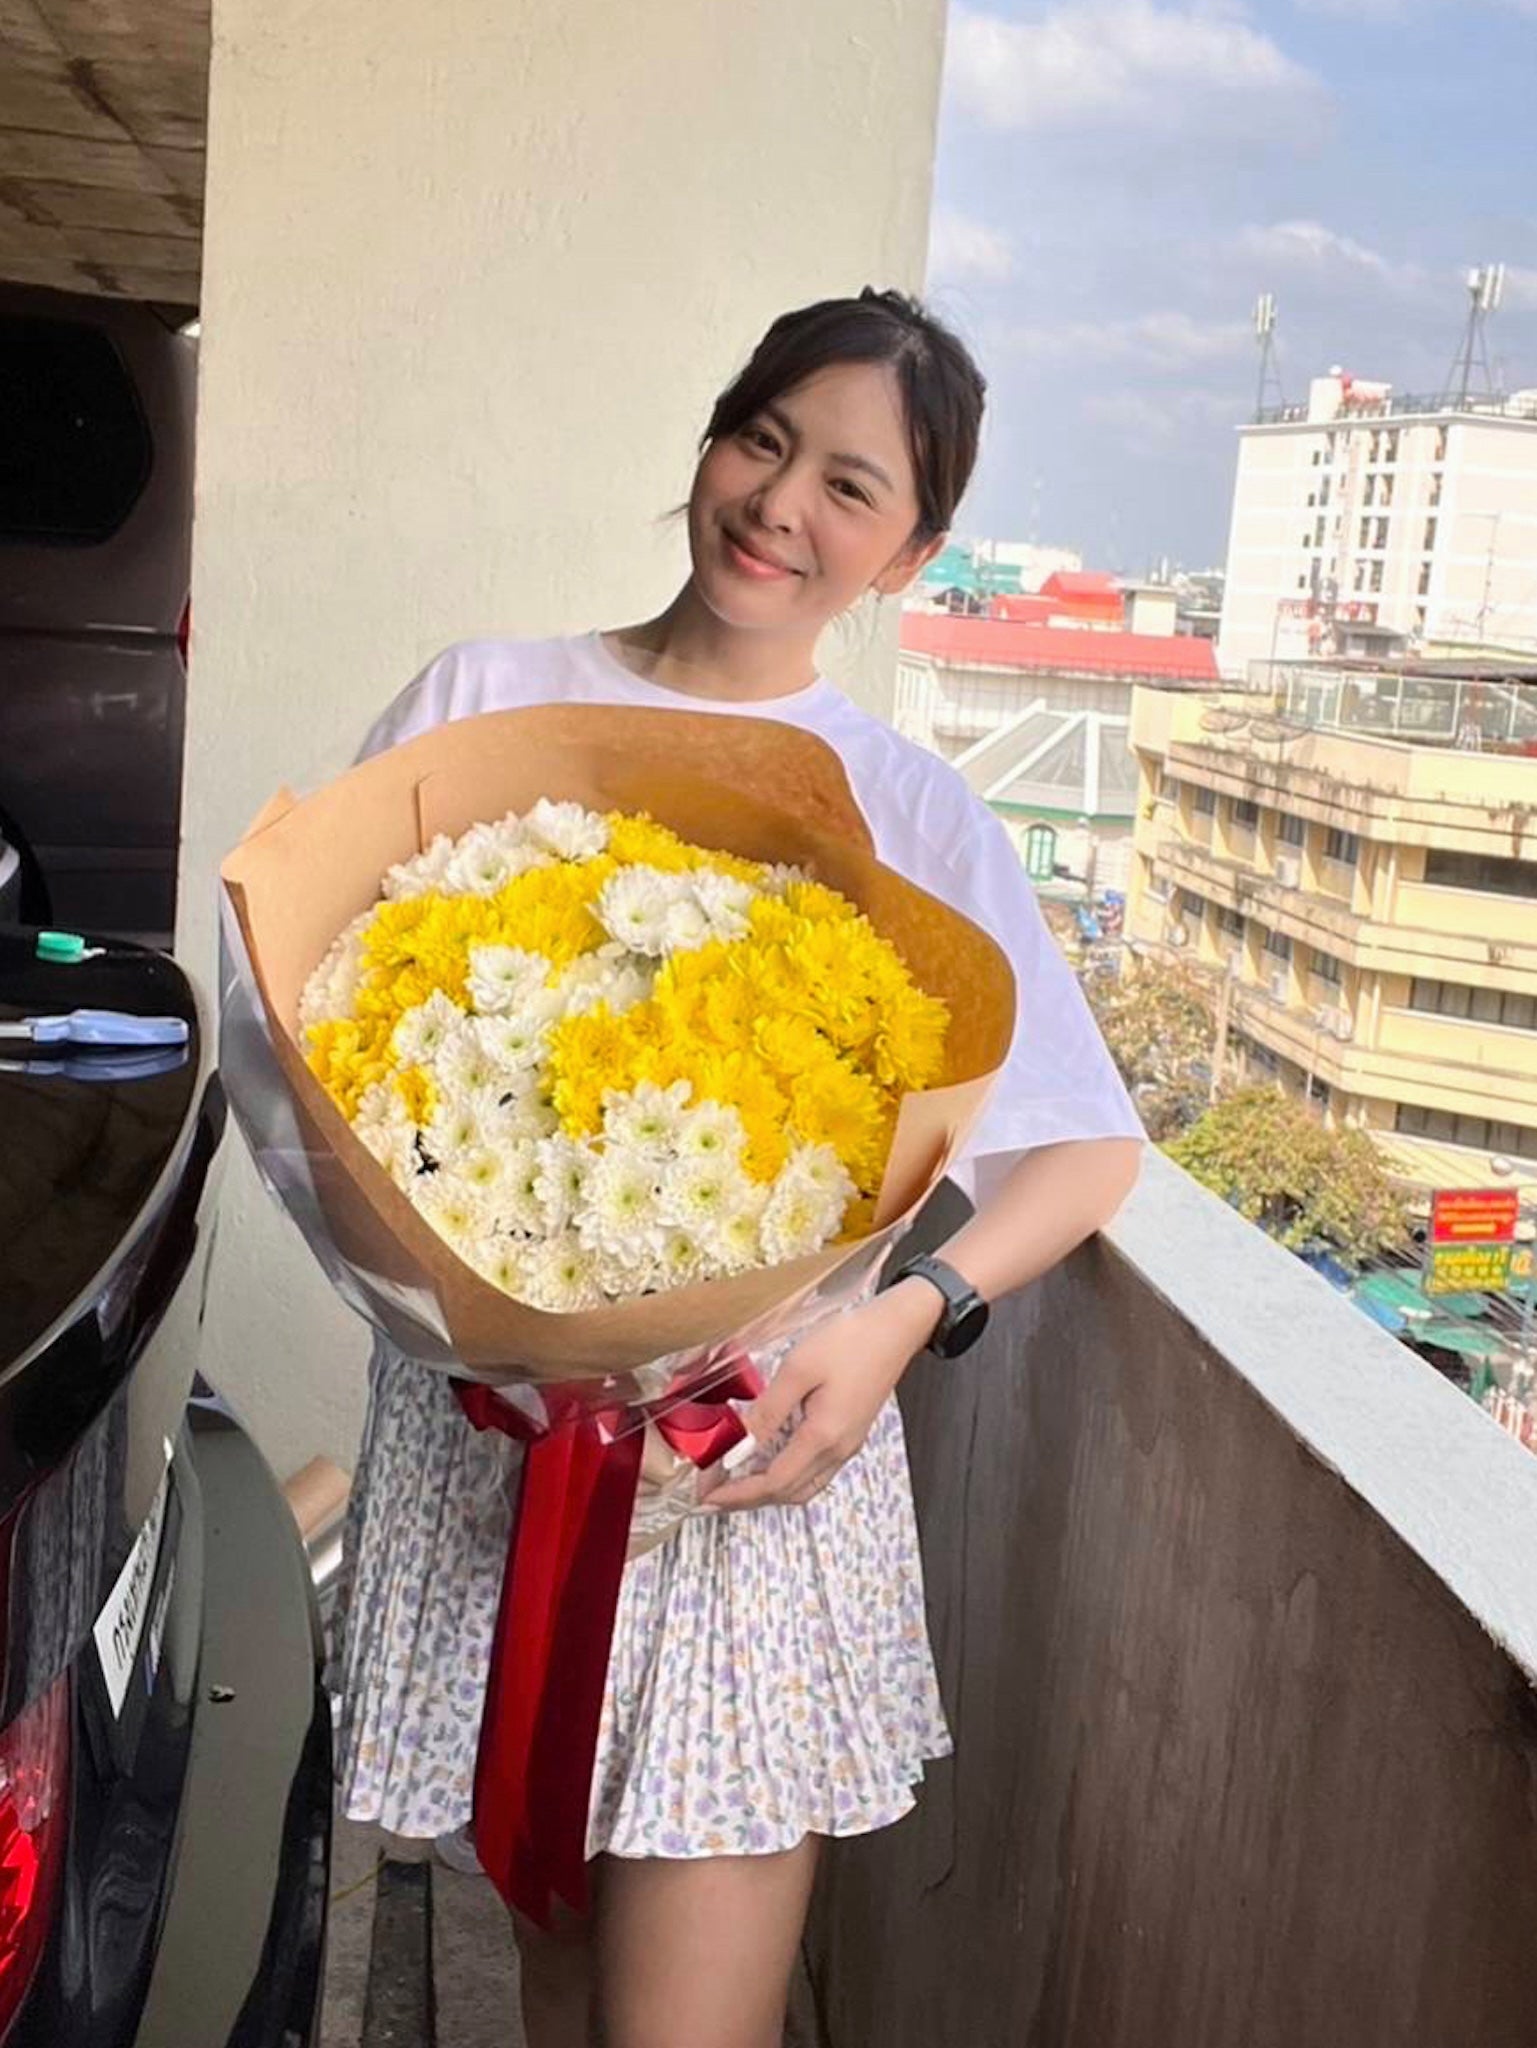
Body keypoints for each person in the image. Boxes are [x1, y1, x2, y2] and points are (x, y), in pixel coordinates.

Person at [331, 287, 1145, 2048]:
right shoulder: (482, 698)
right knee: (547, 1982)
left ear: (910, 551)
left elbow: (1083, 1154)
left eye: (850, 486)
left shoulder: (909, 811)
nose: (781, 504)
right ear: (709, 441)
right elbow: (318, 1035)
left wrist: (900, 1317)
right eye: (761, 441)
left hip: (738, 1488)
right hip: (500, 1466)